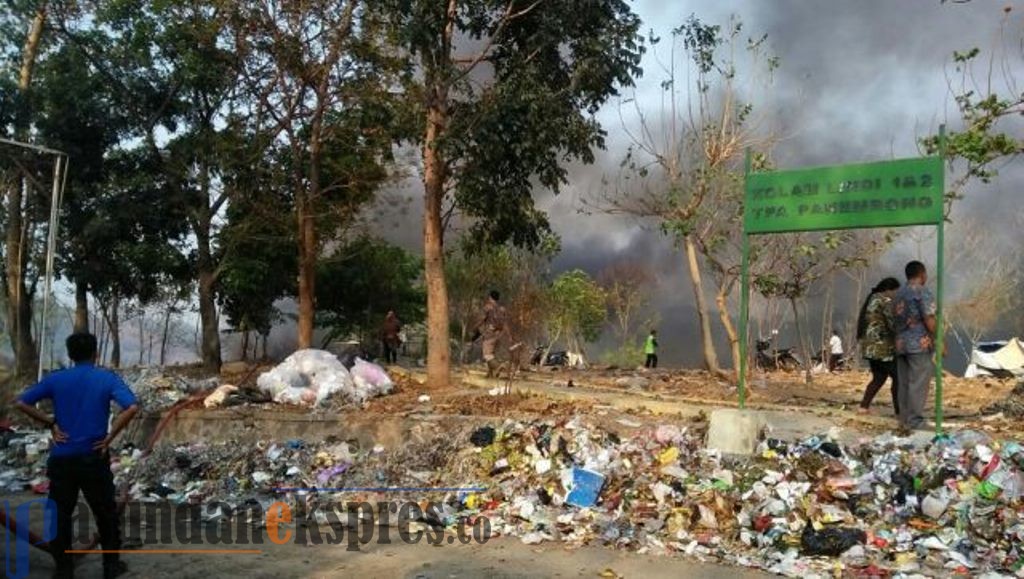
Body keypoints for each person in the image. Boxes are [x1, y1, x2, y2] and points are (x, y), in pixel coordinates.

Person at [14, 333, 139, 579]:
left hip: (62, 459)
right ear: (96, 353)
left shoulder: (56, 379)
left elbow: (20, 402)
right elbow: (132, 407)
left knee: (60, 515)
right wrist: (110, 436)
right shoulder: (105, 378)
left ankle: (63, 570)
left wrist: (50, 422)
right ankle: (111, 567)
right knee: (105, 513)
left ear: (70, 355)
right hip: (93, 456)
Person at [891, 261, 940, 431]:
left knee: (903, 383)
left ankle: (904, 420)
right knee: (918, 383)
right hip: (919, 344)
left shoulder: (898, 293)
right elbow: (929, 318)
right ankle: (915, 421)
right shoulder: (922, 291)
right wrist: (939, 339)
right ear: (922, 274)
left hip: (901, 344)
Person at [856, 277, 901, 415]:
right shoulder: (884, 301)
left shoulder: (872, 299)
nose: (896, 295)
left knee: (879, 378)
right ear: (888, 290)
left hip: (870, 348)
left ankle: (863, 407)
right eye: (895, 292)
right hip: (882, 348)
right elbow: (892, 323)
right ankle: (900, 410)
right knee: (899, 377)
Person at [473, 290, 508, 378]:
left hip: (489, 334)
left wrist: (475, 329)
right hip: (499, 334)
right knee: (491, 354)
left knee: (487, 355)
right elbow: (504, 323)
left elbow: (481, 320)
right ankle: (491, 374)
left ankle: (499, 367)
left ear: (490, 297)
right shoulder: (502, 309)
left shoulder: (488, 307)